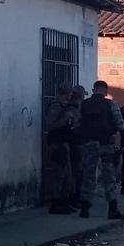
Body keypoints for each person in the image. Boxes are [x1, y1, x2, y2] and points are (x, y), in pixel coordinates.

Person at [78, 80, 124, 220]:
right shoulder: (111, 104)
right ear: (105, 91)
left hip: (88, 143)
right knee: (109, 176)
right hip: (106, 143)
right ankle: (112, 208)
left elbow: (77, 123)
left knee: (88, 174)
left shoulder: (84, 104)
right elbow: (120, 124)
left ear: (93, 90)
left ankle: (85, 208)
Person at [45, 84, 75, 214]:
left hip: (64, 144)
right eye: (69, 94)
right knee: (58, 175)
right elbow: (49, 125)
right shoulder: (55, 107)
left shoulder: (64, 107)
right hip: (57, 145)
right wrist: (65, 119)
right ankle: (56, 203)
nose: (70, 96)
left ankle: (63, 202)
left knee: (67, 176)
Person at [68, 85, 87, 208]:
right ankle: (74, 198)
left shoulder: (75, 107)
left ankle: (75, 197)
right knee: (76, 171)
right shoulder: (74, 108)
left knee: (77, 171)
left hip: (76, 142)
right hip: (75, 142)